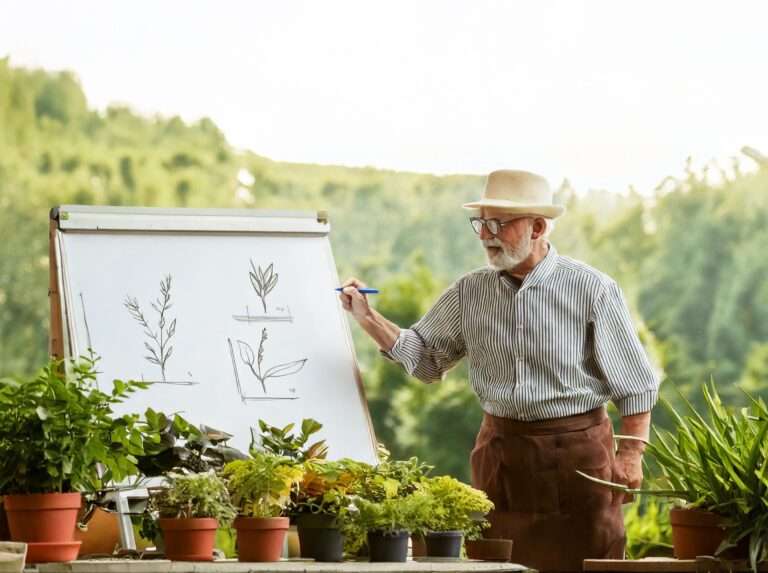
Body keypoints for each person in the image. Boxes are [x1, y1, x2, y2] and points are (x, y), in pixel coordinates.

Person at [339, 169, 659, 572]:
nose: (487, 234)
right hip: (502, 455)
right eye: (482, 223)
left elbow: (635, 384)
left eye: (499, 224)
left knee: (589, 562)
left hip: (579, 458)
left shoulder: (591, 288)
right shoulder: (469, 291)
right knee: (494, 565)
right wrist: (368, 319)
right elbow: (425, 358)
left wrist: (631, 454)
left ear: (538, 226)